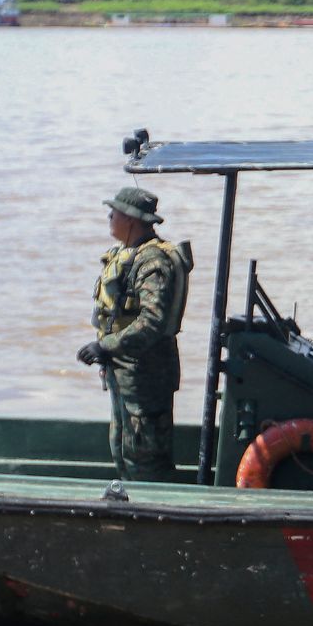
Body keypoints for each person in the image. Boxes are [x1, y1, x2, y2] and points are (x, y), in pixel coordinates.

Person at [77, 187, 192, 481]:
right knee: (125, 451)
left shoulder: (153, 261)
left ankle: (156, 507)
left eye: (114, 213)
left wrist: (106, 346)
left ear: (130, 219)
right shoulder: (129, 254)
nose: (109, 217)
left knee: (146, 459)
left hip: (146, 376)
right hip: (126, 372)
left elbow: (152, 322)